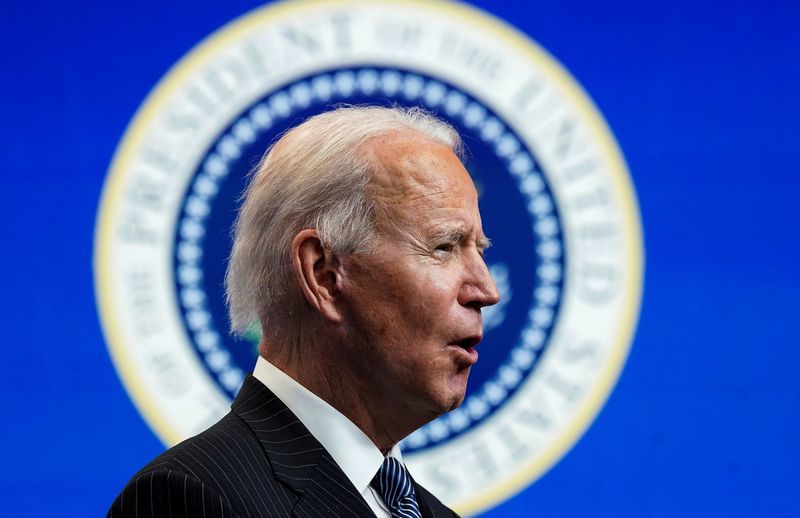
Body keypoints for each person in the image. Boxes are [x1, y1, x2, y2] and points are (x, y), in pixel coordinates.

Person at [109, 106, 500, 517]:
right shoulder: (192, 499)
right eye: (443, 247)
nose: (486, 291)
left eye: (480, 250)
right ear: (324, 274)